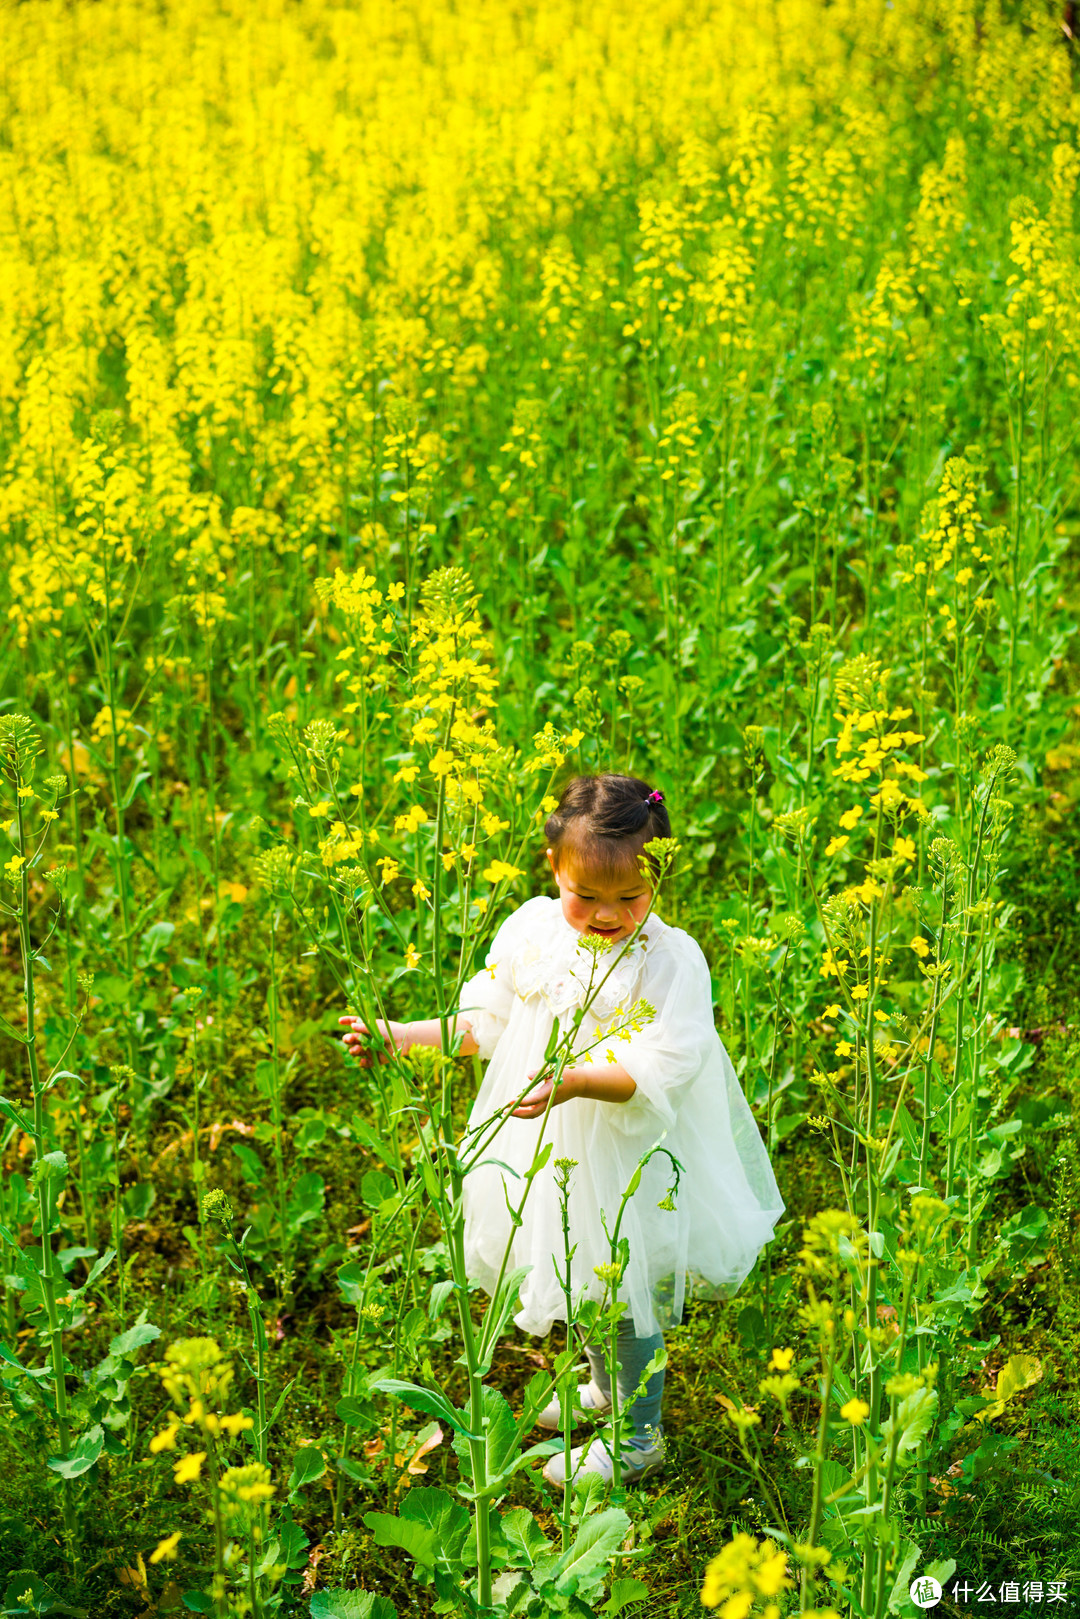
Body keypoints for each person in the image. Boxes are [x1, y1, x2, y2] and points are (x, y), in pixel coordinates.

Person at [341, 773, 785, 1488]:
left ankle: (639, 1436)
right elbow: (489, 1023)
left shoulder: (670, 960)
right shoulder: (531, 928)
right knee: (572, 1265)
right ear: (554, 868)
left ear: (660, 880)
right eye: (588, 894)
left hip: (623, 1148)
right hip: (543, 1142)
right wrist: (402, 1035)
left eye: (630, 898)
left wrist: (577, 1079)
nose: (608, 914)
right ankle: (607, 1388)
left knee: (618, 1283)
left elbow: (667, 1065)